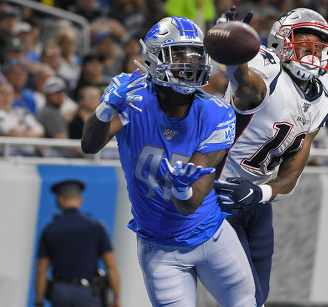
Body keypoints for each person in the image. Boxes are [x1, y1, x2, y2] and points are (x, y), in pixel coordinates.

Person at [81, 16, 256, 306]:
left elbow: (189, 205)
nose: (190, 61)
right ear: (153, 57)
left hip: (211, 235)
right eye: (179, 53)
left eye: (195, 53)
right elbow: (90, 144)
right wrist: (105, 107)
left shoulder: (217, 112)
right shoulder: (134, 100)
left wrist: (182, 188)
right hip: (159, 247)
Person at [213, 7, 328, 306]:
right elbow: (244, 83)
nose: (312, 51)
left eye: (318, 45)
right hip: (217, 193)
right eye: (304, 42)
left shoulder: (321, 102)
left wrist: (259, 192)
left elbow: (291, 175)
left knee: (259, 297)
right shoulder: (269, 72)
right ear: (280, 42)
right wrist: (234, 52)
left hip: (255, 200)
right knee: (244, 296)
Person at [34, 179, 121, 307]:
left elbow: (41, 270)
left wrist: (39, 301)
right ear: (80, 199)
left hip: (60, 293)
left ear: (59, 200)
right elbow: (111, 266)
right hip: (89, 293)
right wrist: (117, 298)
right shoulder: (95, 227)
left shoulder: (50, 229)